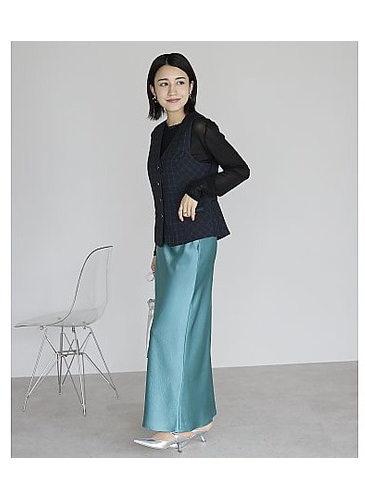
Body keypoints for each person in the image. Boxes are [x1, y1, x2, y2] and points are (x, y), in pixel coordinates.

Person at [134, 53, 250, 452]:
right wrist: (157, 244)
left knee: (169, 330)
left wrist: (199, 190)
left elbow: (238, 169)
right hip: (169, 244)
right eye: (164, 83)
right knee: (187, 328)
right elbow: (160, 197)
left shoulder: (201, 129)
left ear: (192, 87)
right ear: (153, 91)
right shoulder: (158, 136)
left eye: (180, 82)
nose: (173, 90)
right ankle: (198, 417)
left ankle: (175, 424)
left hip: (197, 241)